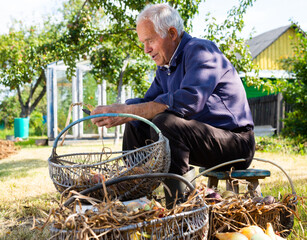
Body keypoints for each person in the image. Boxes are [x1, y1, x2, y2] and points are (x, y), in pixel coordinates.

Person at [91, 3, 255, 205]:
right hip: (204, 139)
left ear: (172, 33)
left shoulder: (201, 51)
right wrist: (121, 111)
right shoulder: (165, 67)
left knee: (165, 122)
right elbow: (147, 103)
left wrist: (127, 111)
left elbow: (189, 101)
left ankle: (179, 207)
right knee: (136, 121)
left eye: (149, 40)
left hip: (235, 143)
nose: (146, 49)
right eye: (143, 42)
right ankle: (133, 197)